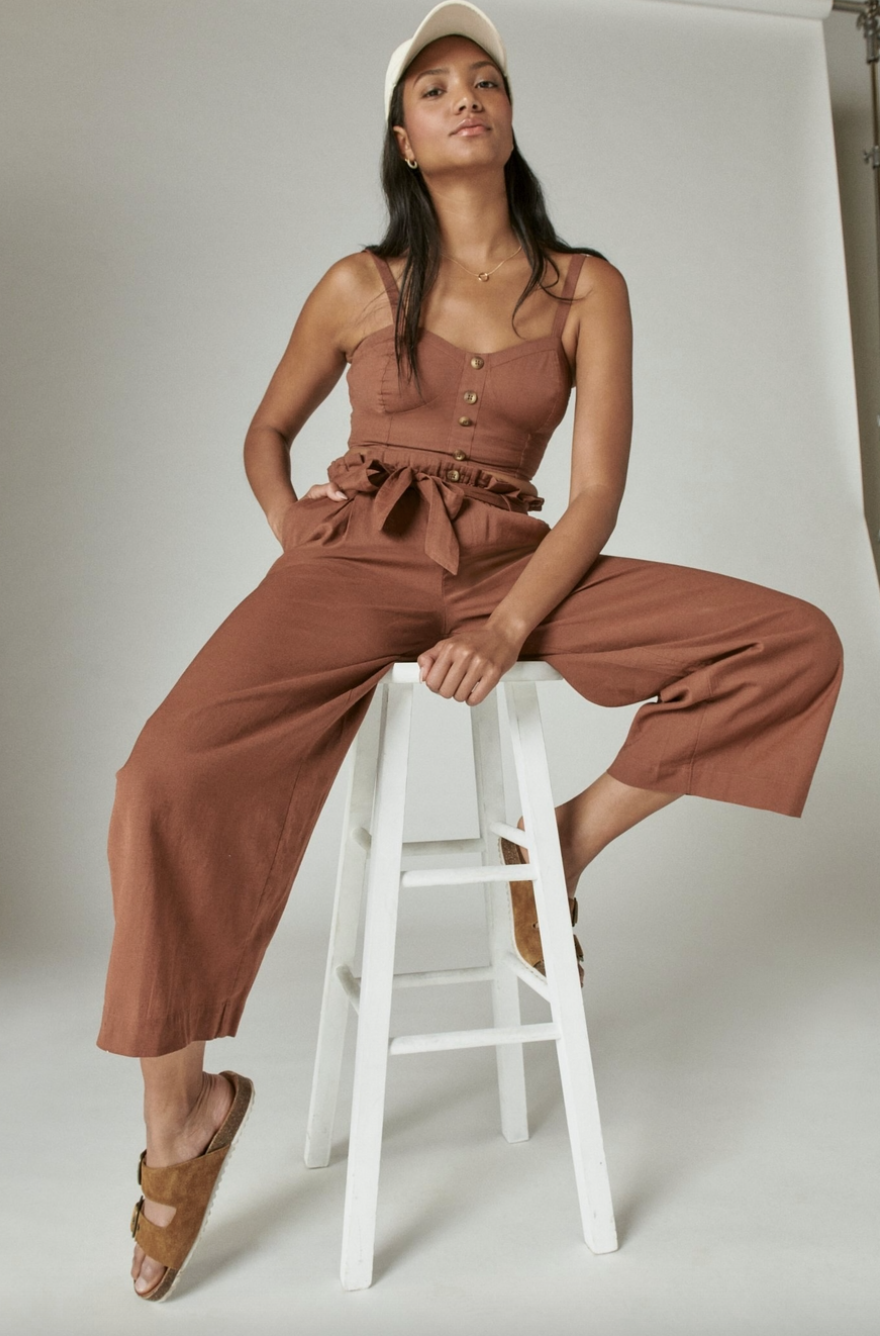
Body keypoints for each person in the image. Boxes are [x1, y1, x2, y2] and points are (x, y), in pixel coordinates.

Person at [99, 0, 844, 1302]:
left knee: (789, 642)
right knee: (162, 777)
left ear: (508, 115)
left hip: (515, 564)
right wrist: (294, 534)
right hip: (359, 558)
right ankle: (184, 1109)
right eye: (434, 87)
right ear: (404, 135)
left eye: (484, 79)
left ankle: (559, 844)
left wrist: (506, 624)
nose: (464, 97)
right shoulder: (358, 285)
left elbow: (597, 491)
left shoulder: (586, 286)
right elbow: (265, 435)